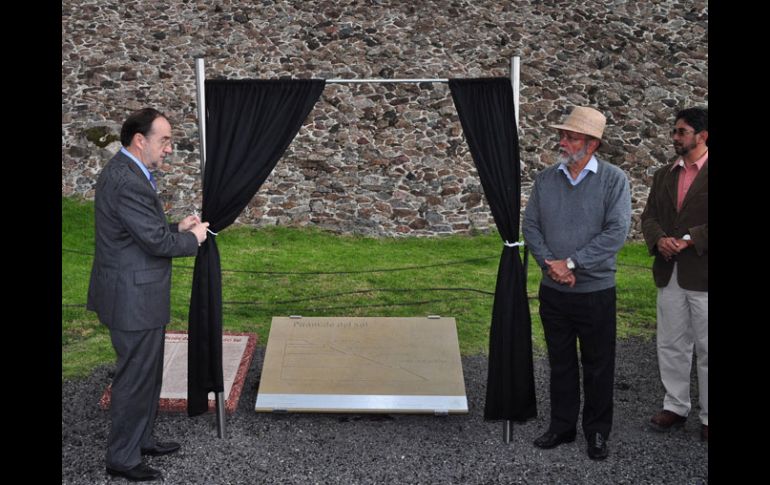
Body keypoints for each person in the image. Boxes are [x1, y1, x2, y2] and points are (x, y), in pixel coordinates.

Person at [87, 108, 210, 481]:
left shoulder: (130, 173)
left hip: (136, 296)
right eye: (165, 140)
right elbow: (155, 242)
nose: (169, 148)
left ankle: (141, 440)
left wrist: (178, 225)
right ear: (140, 140)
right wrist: (193, 239)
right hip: (131, 299)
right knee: (134, 378)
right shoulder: (127, 181)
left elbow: (140, 231)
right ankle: (122, 458)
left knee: (147, 374)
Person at [522, 106, 632, 460]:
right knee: (560, 362)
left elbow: (616, 232)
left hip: (595, 292)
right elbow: (531, 227)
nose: (563, 141)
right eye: (564, 135)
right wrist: (551, 266)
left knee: (599, 366)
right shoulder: (545, 180)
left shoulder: (614, 180)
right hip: (554, 292)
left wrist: (571, 263)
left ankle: (597, 433)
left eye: (570, 136)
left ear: (593, 143)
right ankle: (562, 426)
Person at [640, 107, 708, 442]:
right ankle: (676, 406)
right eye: (674, 131)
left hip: (704, 274)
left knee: (708, 347)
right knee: (670, 344)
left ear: (702, 135)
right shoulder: (664, 174)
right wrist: (659, 240)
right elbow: (649, 216)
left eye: (681, 131)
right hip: (669, 273)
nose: (674, 137)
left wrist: (690, 239)